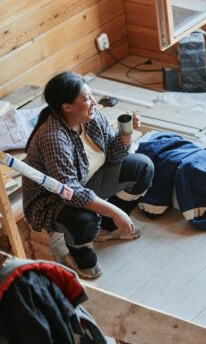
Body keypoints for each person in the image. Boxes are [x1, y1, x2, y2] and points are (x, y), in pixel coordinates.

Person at [23, 71, 154, 279]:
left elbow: (113, 155)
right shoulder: (54, 136)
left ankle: (107, 229)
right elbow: (71, 192)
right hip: (53, 201)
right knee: (86, 220)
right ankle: (79, 255)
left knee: (143, 167)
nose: (94, 102)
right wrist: (115, 211)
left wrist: (126, 133)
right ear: (67, 107)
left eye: (92, 95)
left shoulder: (89, 116)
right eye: (86, 99)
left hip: (87, 181)